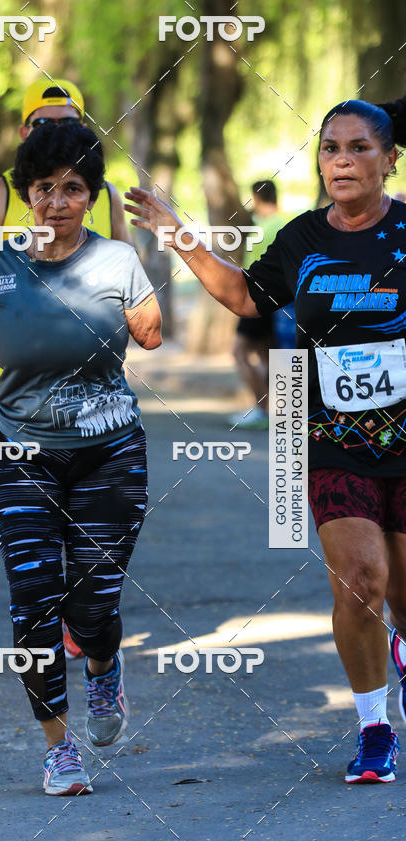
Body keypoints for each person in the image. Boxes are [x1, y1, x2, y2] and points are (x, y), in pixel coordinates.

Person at [125, 96, 406, 785]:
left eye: (359, 148)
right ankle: (375, 726)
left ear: (390, 161)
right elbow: (247, 297)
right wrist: (179, 234)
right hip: (330, 437)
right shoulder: (305, 239)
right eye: (330, 149)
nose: (341, 161)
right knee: (360, 584)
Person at [0, 122, 162, 796]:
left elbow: (151, 336)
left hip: (110, 453)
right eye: (45, 189)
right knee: (34, 601)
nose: (57, 202)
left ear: (91, 196)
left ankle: (102, 668)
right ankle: (58, 747)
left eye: (73, 188)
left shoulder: (116, 261)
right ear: (25, 195)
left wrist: (128, 280)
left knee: (91, 604)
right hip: (22, 456)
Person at [0, 76, 131, 661]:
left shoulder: (103, 197)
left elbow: (127, 281)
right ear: (23, 132)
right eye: (44, 123)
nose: (55, 133)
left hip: (95, 395)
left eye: (68, 125)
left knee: (88, 531)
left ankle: (84, 621)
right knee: (35, 524)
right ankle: (48, 613)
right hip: (12, 389)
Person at [229, 180, 286, 429]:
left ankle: (261, 409)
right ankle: (271, 410)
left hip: (257, 300)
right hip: (282, 302)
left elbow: (250, 272)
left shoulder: (261, 228)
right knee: (266, 355)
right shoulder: (288, 224)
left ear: (257, 198)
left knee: (239, 352)